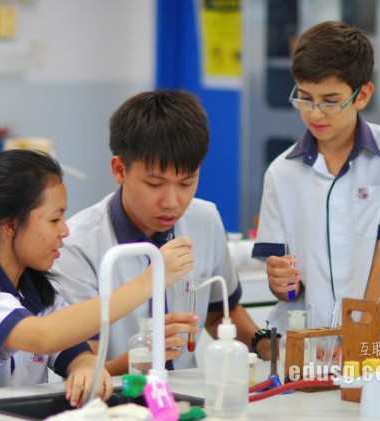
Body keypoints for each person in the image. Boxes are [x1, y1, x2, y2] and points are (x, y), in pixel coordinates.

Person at [0, 150, 192, 406]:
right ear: (9, 224)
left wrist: (85, 364)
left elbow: (69, 345)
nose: (65, 230)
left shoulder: (37, 290)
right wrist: (148, 281)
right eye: (54, 219)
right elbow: (44, 336)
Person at [51, 90, 270, 375]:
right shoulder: (78, 246)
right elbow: (84, 368)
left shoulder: (205, 220)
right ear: (120, 169)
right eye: (155, 184)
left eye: (186, 183)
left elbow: (220, 316)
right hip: (114, 396)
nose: (172, 202)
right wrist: (143, 353)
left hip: (188, 393)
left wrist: (267, 346)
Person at [252, 21, 380, 335]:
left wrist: (359, 338)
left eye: (330, 101)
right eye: (305, 98)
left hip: (374, 335)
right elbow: (287, 292)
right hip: (306, 338)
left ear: (363, 95)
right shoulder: (281, 172)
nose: (315, 113)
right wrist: (280, 281)